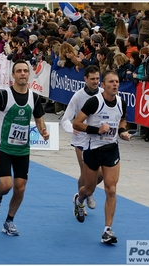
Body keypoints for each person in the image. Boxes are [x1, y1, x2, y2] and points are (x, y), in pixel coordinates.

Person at [0, 60, 49, 236]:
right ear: (13, 75)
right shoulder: (4, 95)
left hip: (23, 150)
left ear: (29, 74)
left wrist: (43, 131)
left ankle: (9, 221)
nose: (22, 74)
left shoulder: (34, 97)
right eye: (19, 71)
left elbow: (39, 117)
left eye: (25, 71)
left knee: (20, 188)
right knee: (6, 186)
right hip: (4, 148)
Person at [72, 70, 131, 244]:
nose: (115, 84)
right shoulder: (94, 102)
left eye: (117, 82)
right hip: (92, 150)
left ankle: (107, 230)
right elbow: (77, 123)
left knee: (111, 189)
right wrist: (96, 130)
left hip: (111, 150)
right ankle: (79, 200)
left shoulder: (121, 102)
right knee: (88, 190)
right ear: (103, 85)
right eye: (111, 82)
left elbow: (122, 120)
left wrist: (122, 132)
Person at [60, 65, 104, 215]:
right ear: (85, 79)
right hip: (81, 140)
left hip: (99, 140)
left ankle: (85, 192)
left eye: (97, 78)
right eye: (92, 79)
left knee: (101, 175)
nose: (95, 82)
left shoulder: (104, 94)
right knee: (86, 173)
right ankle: (83, 200)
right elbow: (65, 119)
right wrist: (71, 129)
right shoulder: (78, 96)